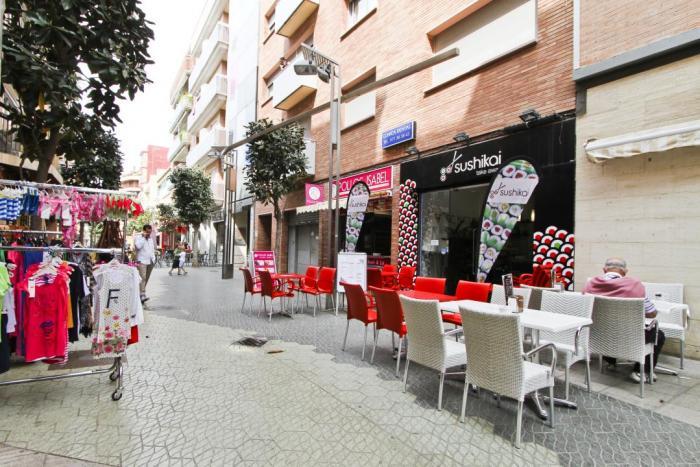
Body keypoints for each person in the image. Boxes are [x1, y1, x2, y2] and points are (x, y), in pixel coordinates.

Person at [583, 257, 665, 383]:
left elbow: (585, 309)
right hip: (628, 337)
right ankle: (641, 371)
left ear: (604, 270)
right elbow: (651, 313)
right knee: (659, 335)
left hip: (599, 337)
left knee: (608, 326)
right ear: (625, 271)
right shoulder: (635, 286)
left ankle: (610, 361)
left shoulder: (590, 285)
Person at [134, 224, 156, 304]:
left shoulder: (150, 239)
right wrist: (143, 237)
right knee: (142, 277)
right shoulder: (139, 237)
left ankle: (140, 294)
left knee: (146, 278)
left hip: (150, 261)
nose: (148, 233)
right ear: (144, 231)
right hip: (142, 260)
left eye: (150, 232)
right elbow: (138, 246)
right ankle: (142, 294)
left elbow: (152, 249)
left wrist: (154, 258)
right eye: (147, 232)